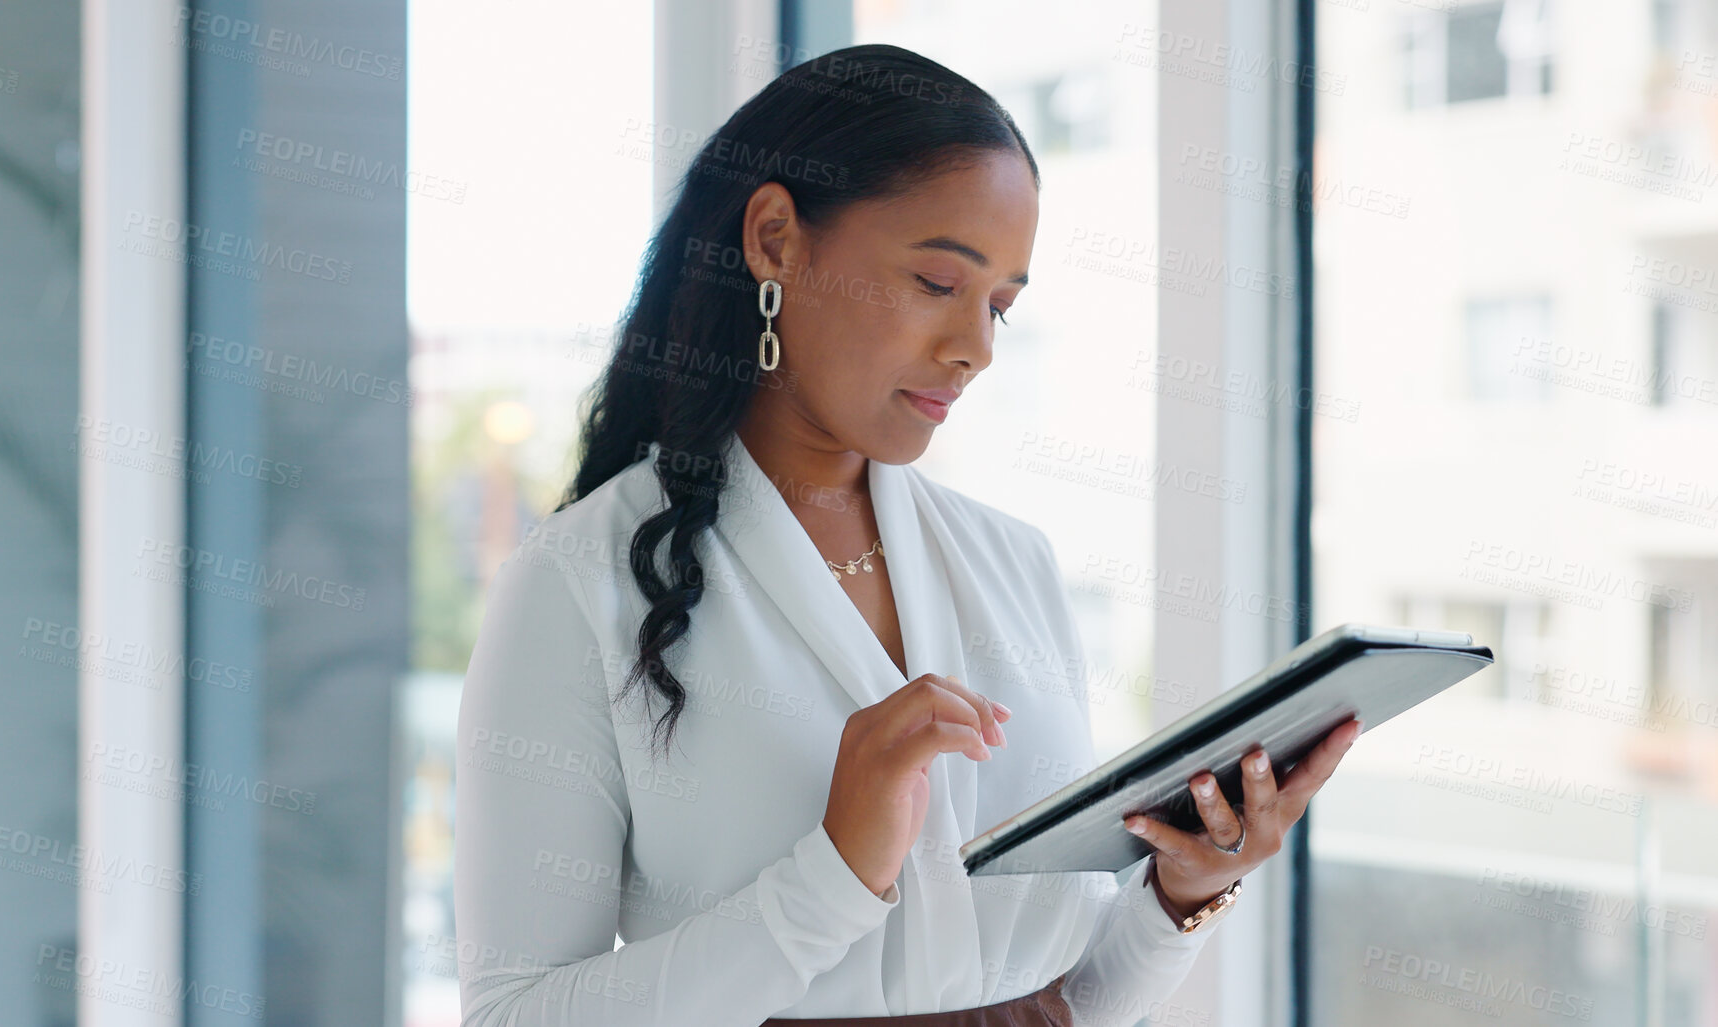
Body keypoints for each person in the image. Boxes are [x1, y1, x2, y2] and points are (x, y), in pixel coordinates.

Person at [453, 42, 1361, 1027]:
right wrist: (835, 872)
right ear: (773, 239)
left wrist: (1185, 890)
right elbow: (514, 1014)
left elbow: (1066, 1002)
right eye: (938, 281)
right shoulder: (577, 584)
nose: (972, 347)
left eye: (1001, 308)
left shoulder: (1015, 565)